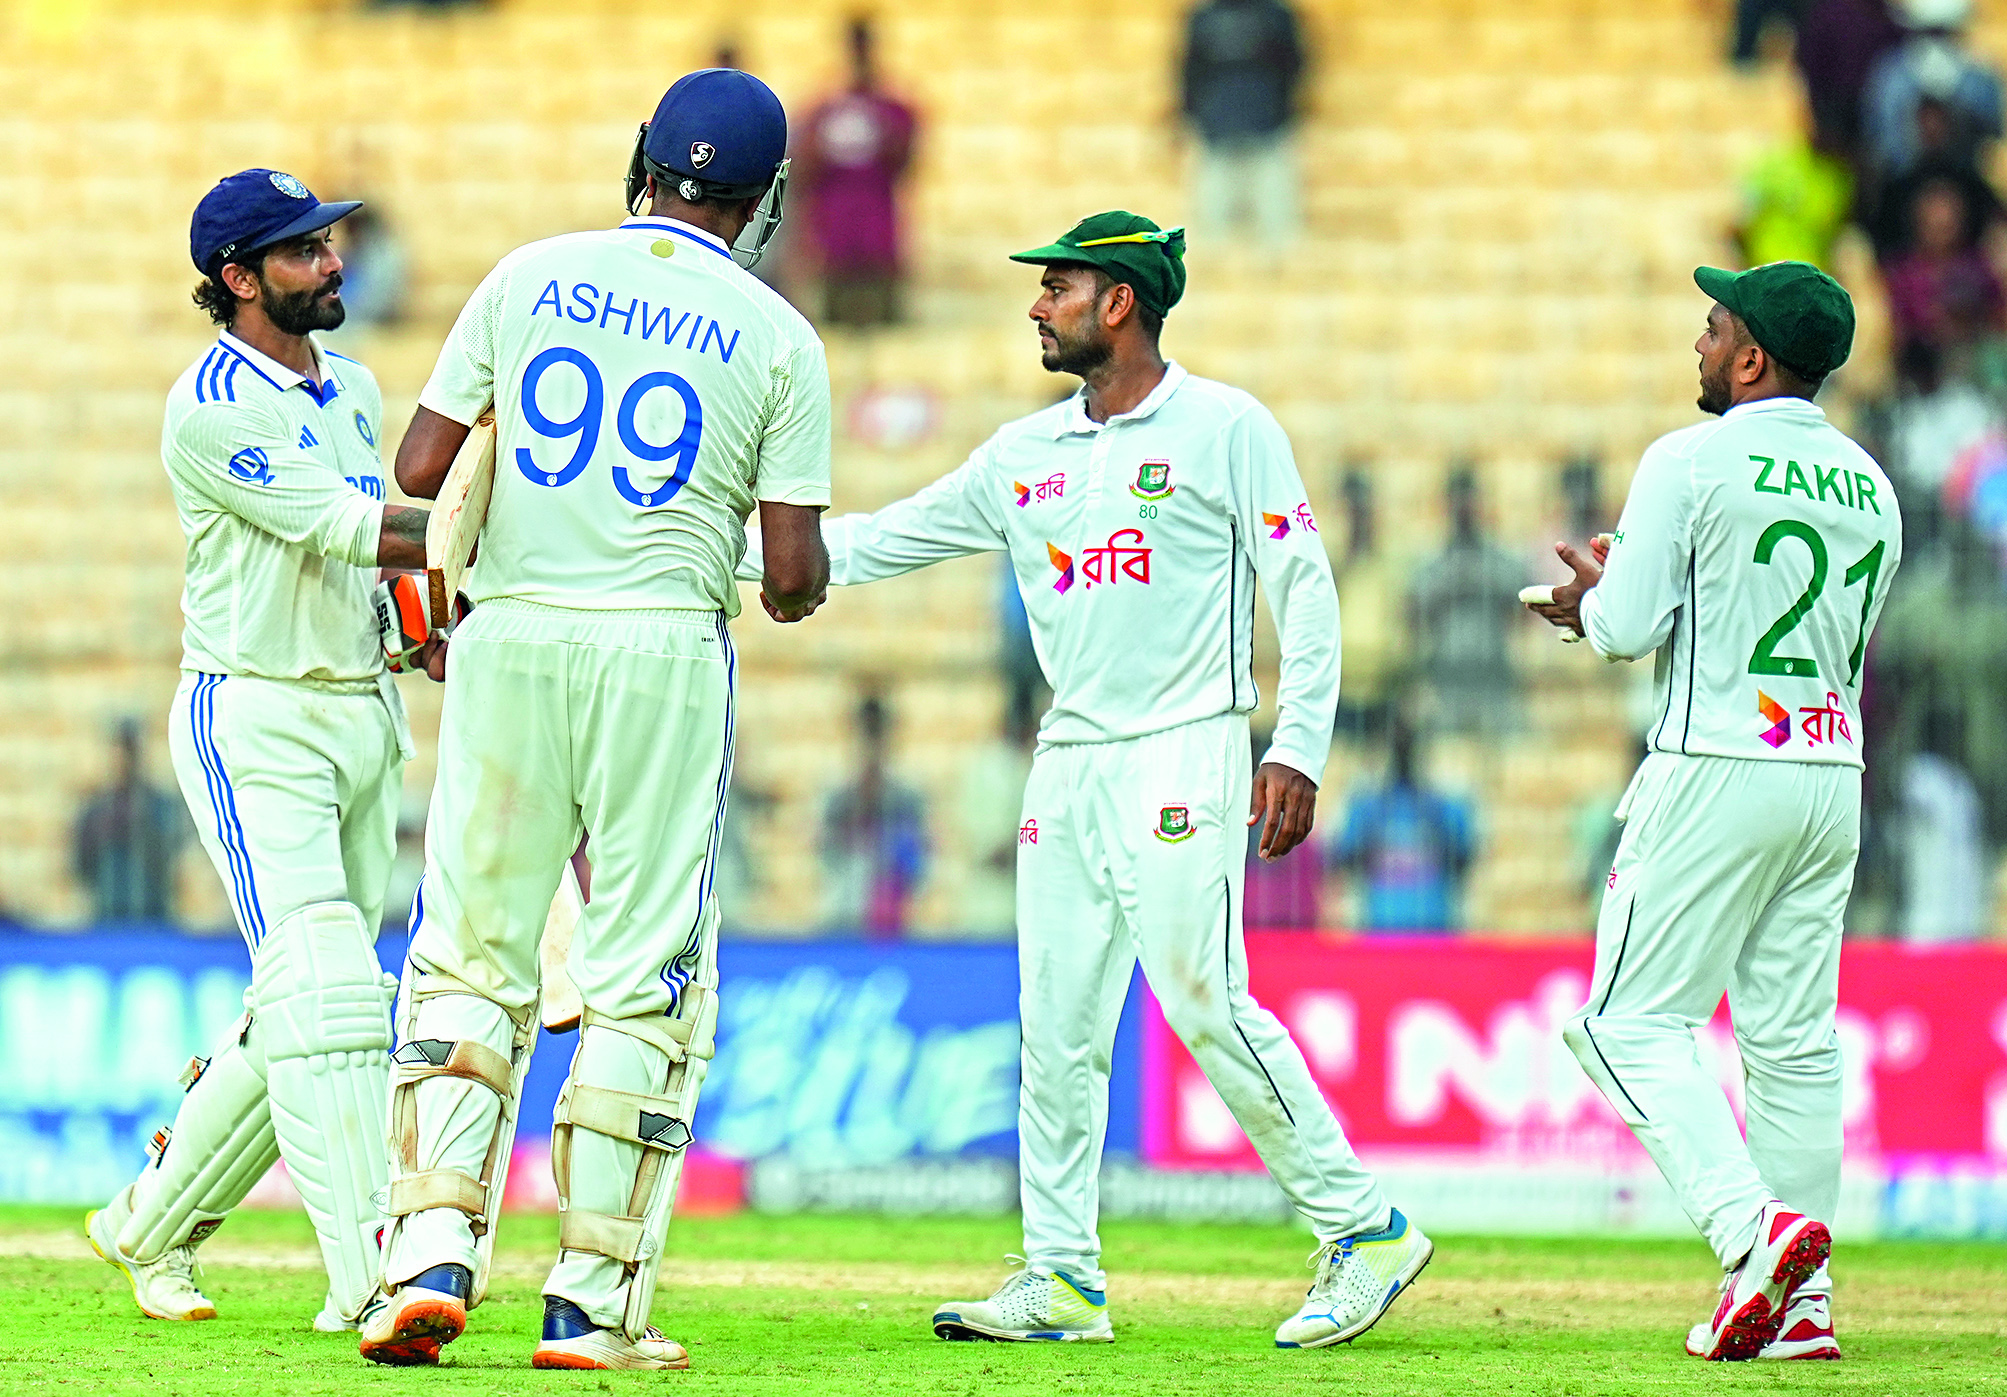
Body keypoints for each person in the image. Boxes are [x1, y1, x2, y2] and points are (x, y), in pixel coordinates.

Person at [745, 211, 1431, 1350]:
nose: (1035, 306)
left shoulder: (1224, 426)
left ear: (1117, 300)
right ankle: (1062, 1273)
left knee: (1204, 996)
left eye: (1055, 286)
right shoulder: (1024, 454)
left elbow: (1303, 586)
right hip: (1068, 761)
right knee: (1056, 1026)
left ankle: (1361, 1226)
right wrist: (733, 559)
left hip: (1186, 746)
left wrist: (1297, 744)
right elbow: (877, 540)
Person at [366, 70, 829, 1372]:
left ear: (640, 161)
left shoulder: (527, 277)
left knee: (466, 950)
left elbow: (415, 477)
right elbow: (789, 575)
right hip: (661, 657)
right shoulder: (778, 334)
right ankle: (589, 1304)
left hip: (508, 635)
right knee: (639, 974)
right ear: (762, 201)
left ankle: (427, 1255)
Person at [1527, 260, 1900, 1362]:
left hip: (1716, 761)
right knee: (1791, 1042)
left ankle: (1756, 1234)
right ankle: (1806, 1301)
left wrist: (1593, 602)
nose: (1698, 343)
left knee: (1621, 1021)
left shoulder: (1689, 457)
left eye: (1711, 326)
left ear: (1750, 358)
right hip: (1831, 769)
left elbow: (1633, 627)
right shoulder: (1872, 482)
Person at [85, 170, 432, 1335]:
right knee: (327, 984)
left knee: (307, 1002)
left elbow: (376, 560)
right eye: (302, 252)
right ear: (239, 278)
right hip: (256, 715)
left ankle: (149, 1218)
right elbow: (351, 523)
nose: (333, 262)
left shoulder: (358, 390)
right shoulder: (211, 405)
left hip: (357, 712)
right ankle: (372, 1278)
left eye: (330, 242)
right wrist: (518, 520)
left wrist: (417, 622)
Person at [795, 18, 916, 326]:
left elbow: (906, 161)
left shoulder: (892, 109)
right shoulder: (824, 109)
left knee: (884, 329)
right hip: (834, 235)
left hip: (878, 235)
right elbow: (803, 168)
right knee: (832, 330)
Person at [1181, 0, 1307, 247]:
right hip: (1219, 124)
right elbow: (1190, 69)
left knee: (1275, 220)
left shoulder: (1277, 16)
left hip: (1266, 123)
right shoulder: (1204, 18)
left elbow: (1293, 67)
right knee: (1212, 221)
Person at [1410, 467, 1525, 735]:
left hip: (1495, 680)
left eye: (1469, 498)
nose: (1463, 507)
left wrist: (1478, 580)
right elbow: (1415, 609)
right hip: (1446, 680)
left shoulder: (1502, 560)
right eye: (1457, 499)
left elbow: (1521, 600)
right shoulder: (1431, 563)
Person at [1332, 715, 1474, 933]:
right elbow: (1345, 857)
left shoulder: (1443, 806)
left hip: (1433, 927)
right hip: (1381, 927)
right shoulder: (1367, 805)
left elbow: (1464, 857)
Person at [819, 692, 929, 937]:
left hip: (895, 916)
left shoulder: (908, 796)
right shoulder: (837, 793)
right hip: (843, 910)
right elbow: (826, 852)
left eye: (876, 733)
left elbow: (918, 858)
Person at [72, 718, 189, 924]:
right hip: (105, 917)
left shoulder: (160, 806)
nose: (122, 759)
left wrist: (142, 826)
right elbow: (79, 867)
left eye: (128, 751)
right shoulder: (96, 810)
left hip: (155, 917)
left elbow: (172, 862)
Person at [958, 690, 1039, 939]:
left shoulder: (1040, 764)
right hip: (989, 903)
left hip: (1033, 901)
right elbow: (971, 840)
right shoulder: (984, 768)